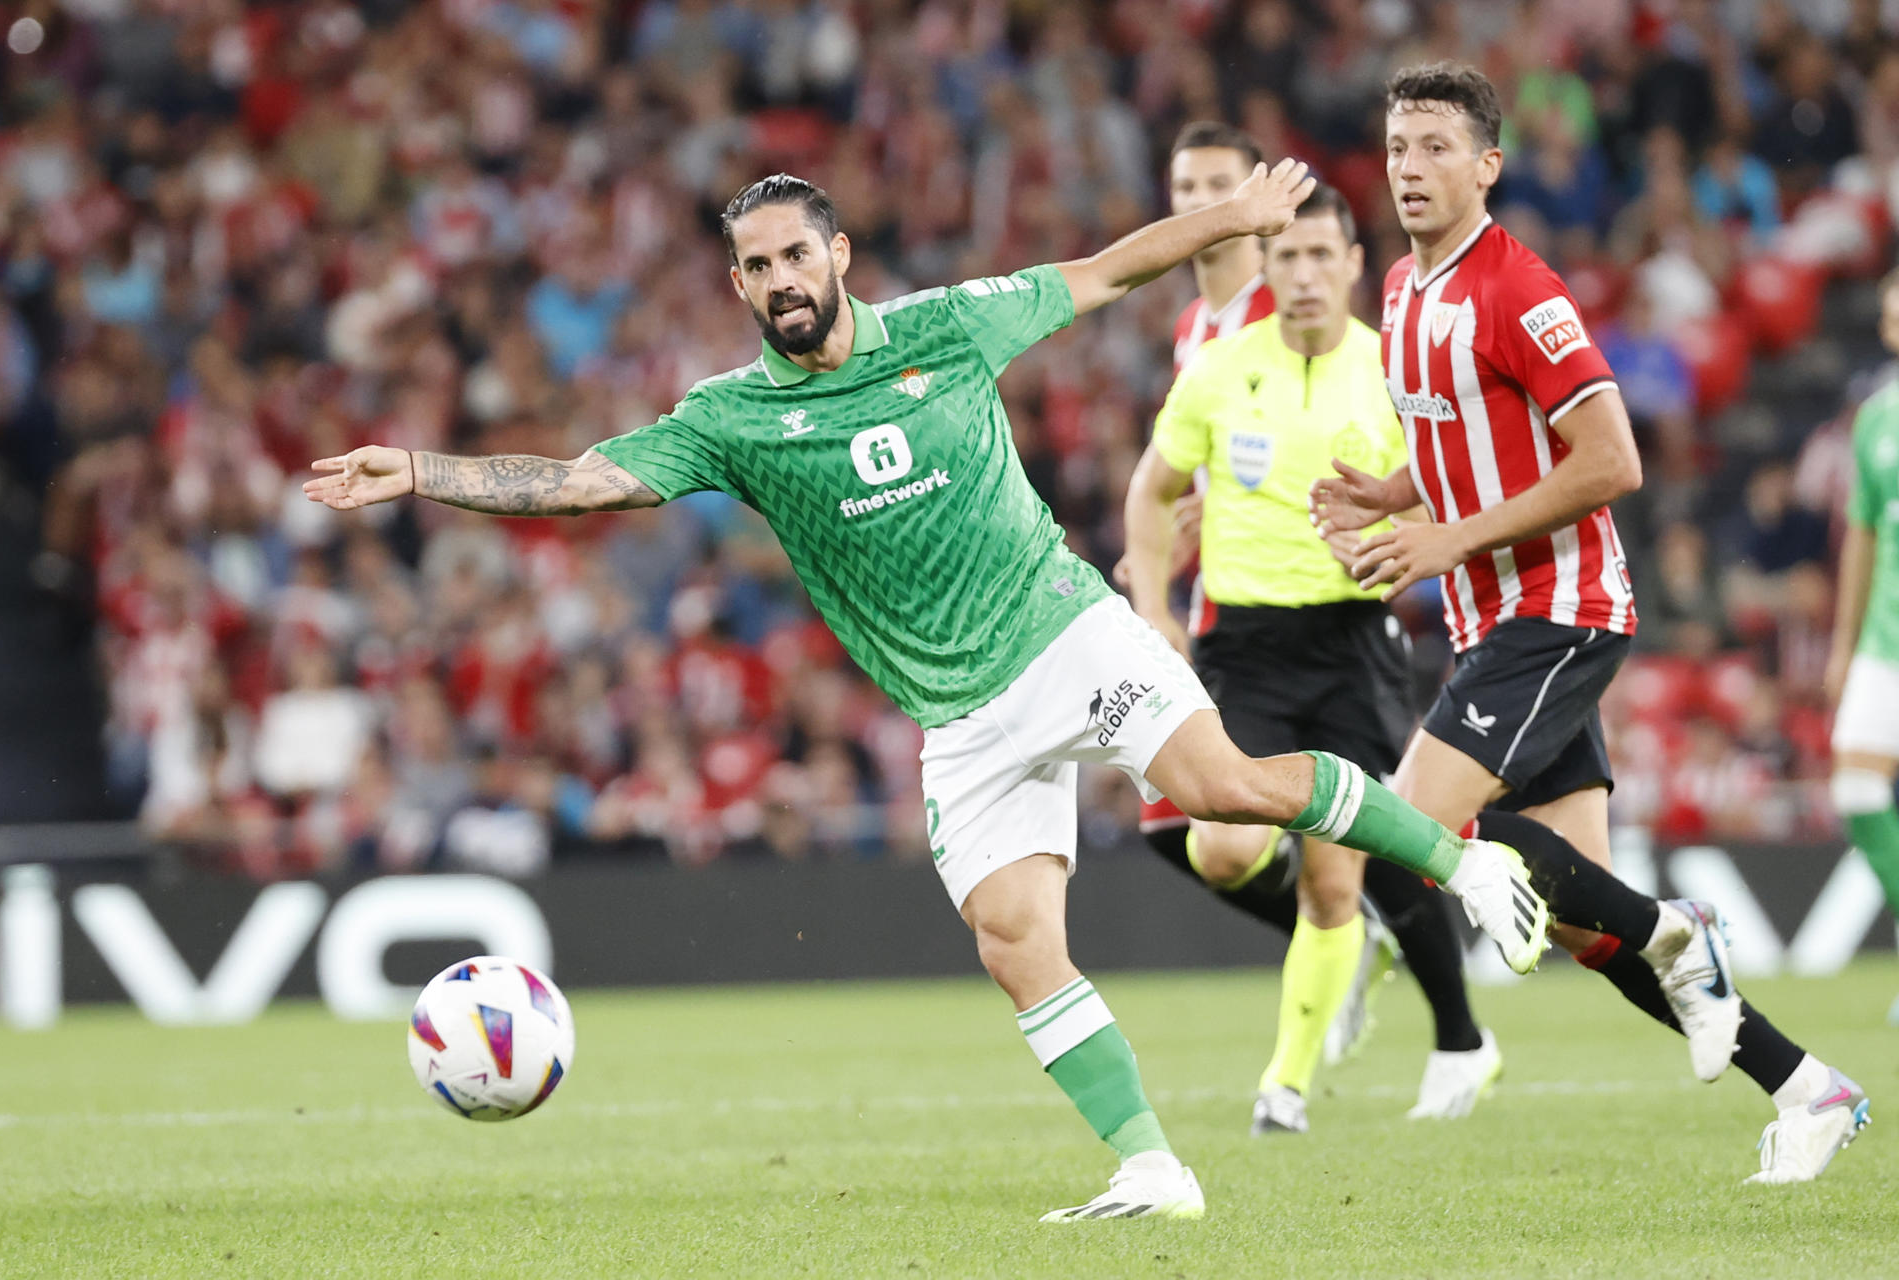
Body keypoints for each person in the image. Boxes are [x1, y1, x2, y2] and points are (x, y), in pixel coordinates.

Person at [308, 164, 1556, 1222]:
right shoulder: (732, 418)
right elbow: (583, 484)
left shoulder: (950, 326)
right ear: (739, 286)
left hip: (1067, 635)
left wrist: (1230, 224)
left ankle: (1461, 864)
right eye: (756, 266)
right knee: (1017, 944)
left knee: (1221, 789)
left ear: (838, 254)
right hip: (959, 718)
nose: (782, 277)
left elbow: (1108, 272)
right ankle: (1153, 1168)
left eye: (798, 252)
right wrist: (417, 467)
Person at [1311, 61, 1867, 1183]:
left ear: (1488, 166)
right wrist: (1396, 496)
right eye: (1398, 145)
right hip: (1491, 620)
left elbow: (1611, 458)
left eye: (1435, 147)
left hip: (1557, 608)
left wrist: (1451, 541)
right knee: (1587, 926)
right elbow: (1468, 448)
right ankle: (1810, 1087)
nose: (1410, 167)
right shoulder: (1407, 293)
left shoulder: (1521, 289)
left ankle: (1685, 924)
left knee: (1415, 829)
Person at [1122, 173, 1493, 1132]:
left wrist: (1395, 537)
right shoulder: (1217, 367)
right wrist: (1157, 606)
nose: (1304, 274)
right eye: (1286, 256)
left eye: (1322, 254)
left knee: (1336, 878)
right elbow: (1152, 489)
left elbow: (1451, 491)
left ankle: (1283, 1086)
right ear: (1266, 264)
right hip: (1242, 646)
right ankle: (1357, 978)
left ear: (1354, 265)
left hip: (1349, 643)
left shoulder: (1392, 370)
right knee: (1222, 844)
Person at [1825, 266, 1899, 1028]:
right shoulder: (1877, 418)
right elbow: (1863, 538)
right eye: (1891, 318)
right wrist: (1842, 644)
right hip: (1886, 641)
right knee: (1855, 790)